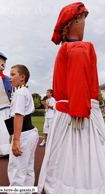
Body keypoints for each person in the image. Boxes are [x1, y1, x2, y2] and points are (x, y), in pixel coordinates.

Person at [38, 2, 105, 194]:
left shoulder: (64, 49)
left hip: (65, 113)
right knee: (84, 155)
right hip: (77, 113)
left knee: (64, 156)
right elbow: (78, 79)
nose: (85, 23)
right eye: (83, 19)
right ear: (76, 20)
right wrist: (79, 109)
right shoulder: (80, 47)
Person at [7, 65, 39, 194]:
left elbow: (19, 116)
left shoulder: (20, 92)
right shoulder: (24, 91)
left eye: (13, 74)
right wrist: (13, 132)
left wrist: (16, 139)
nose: (10, 77)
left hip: (24, 135)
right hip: (29, 132)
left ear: (22, 77)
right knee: (27, 169)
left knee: (17, 171)